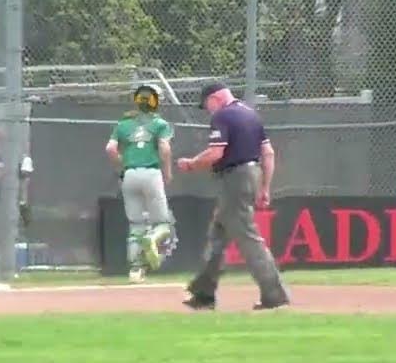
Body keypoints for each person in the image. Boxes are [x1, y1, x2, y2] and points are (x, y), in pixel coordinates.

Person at [179, 83, 290, 311]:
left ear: (216, 98)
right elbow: (268, 153)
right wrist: (265, 187)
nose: (208, 110)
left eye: (207, 104)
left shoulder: (223, 116)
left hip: (234, 178)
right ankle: (204, 293)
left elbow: (216, 153)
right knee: (218, 236)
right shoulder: (250, 115)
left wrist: (191, 164)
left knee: (247, 236)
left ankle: (274, 294)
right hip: (251, 174)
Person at [106, 84, 176, 283]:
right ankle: (153, 238)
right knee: (162, 223)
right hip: (151, 173)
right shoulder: (160, 124)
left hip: (129, 175)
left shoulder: (123, 124)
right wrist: (168, 171)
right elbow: (164, 148)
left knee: (135, 224)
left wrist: (123, 164)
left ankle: (136, 271)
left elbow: (110, 149)